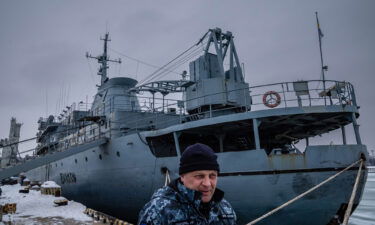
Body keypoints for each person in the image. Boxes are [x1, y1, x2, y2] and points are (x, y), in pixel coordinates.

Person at [138, 143, 237, 225]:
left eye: (212, 176)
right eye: (199, 176)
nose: (207, 184)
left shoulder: (224, 207)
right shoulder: (159, 211)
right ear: (182, 176)